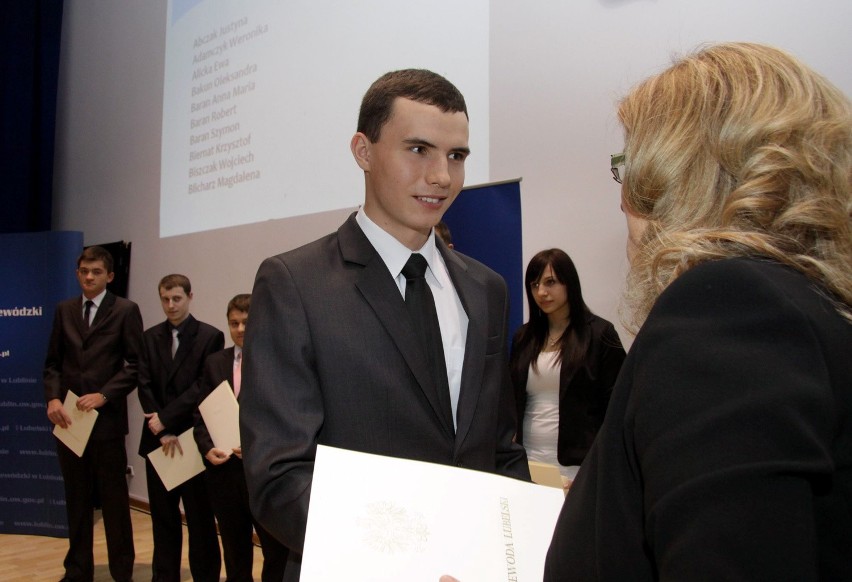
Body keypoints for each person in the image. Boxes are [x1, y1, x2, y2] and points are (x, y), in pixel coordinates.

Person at [545, 42, 852, 580]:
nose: (621, 199)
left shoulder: (730, 311)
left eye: (628, 166)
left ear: (676, 175)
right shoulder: (811, 311)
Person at [240, 68, 530, 579]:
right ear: (363, 151)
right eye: (418, 149)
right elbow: (279, 477)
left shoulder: (487, 289)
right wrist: (408, 564)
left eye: (456, 156)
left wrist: (518, 555)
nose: (442, 175)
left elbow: (499, 448)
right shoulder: (295, 284)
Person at [44, 245, 142, 582]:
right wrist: (53, 399)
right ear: (77, 273)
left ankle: (121, 572)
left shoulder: (126, 310)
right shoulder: (64, 309)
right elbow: (53, 363)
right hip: (69, 422)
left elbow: (134, 366)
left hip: (107, 425)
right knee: (76, 500)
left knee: (115, 504)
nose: (89, 277)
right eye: (84, 271)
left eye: (96, 272)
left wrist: (104, 395)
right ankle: (77, 570)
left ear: (110, 276)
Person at [510, 249, 625, 487]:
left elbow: (617, 406)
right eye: (534, 284)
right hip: (528, 461)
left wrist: (598, 466)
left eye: (550, 282)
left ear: (569, 282)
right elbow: (509, 400)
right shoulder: (524, 337)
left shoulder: (599, 334)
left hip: (578, 467)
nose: (541, 292)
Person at [193, 293, 289, 581]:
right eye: (234, 323)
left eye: (246, 322)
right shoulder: (214, 363)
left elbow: (287, 419)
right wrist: (207, 449)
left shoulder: (278, 360)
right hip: (224, 474)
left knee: (276, 550)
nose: (240, 329)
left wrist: (258, 448)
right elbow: (201, 417)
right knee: (234, 550)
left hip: (263, 473)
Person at [137, 274, 224, 582]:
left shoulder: (209, 336)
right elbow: (143, 384)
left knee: (200, 519)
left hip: (192, 440)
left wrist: (168, 419)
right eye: (164, 299)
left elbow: (202, 386)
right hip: (158, 441)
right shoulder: (149, 337)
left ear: (190, 296)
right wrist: (160, 429)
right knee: (163, 518)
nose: (170, 305)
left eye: (176, 298)